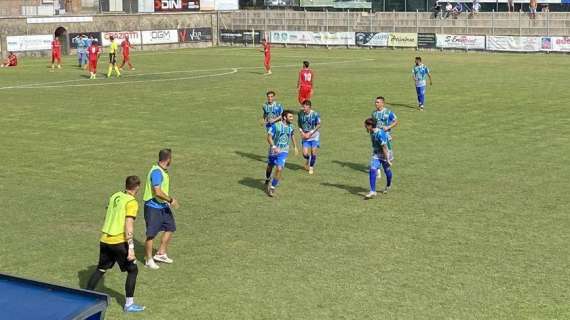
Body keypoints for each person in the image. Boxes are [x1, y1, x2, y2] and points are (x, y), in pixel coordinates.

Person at [86, 176, 145, 313]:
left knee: (101, 269)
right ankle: (129, 304)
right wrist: (131, 248)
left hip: (105, 240)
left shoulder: (115, 196)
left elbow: (109, 209)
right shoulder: (131, 202)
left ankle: (85, 296)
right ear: (137, 187)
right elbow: (129, 225)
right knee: (133, 270)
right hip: (118, 241)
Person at [143, 149, 178, 270]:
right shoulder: (157, 172)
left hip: (162, 206)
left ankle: (161, 254)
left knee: (170, 227)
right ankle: (148, 259)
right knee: (151, 234)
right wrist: (170, 200)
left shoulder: (162, 171)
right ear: (168, 159)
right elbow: (157, 192)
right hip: (153, 207)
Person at [265, 110, 299, 197]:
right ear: (284, 117)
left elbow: (292, 135)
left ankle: (272, 188)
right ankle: (268, 178)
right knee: (270, 166)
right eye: (290, 117)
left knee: (279, 168)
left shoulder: (291, 127)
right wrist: (274, 147)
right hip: (273, 150)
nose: (292, 118)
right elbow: (269, 137)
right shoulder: (276, 126)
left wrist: (295, 147)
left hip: (284, 151)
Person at [364, 118, 393, 199]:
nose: (365, 126)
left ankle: (388, 184)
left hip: (386, 153)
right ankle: (373, 191)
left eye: (366, 125)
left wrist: (387, 159)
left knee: (387, 171)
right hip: (377, 154)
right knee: (372, 169)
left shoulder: (379, 134)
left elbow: (384, 147)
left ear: (370, 126)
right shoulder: (372, 131)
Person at [297, 100, 321, 175]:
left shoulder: (315, 114)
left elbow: (319, 124)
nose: (303, 108)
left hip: (314, 136)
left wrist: (310, 133)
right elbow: (299, 124)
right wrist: (302, 132)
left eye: (305, 107)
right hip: (305, 136)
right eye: (303, 106)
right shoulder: (300, 114)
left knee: (313, 152)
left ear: (309, 107)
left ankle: (311, 167)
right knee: (304, 154)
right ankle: (308, 158)